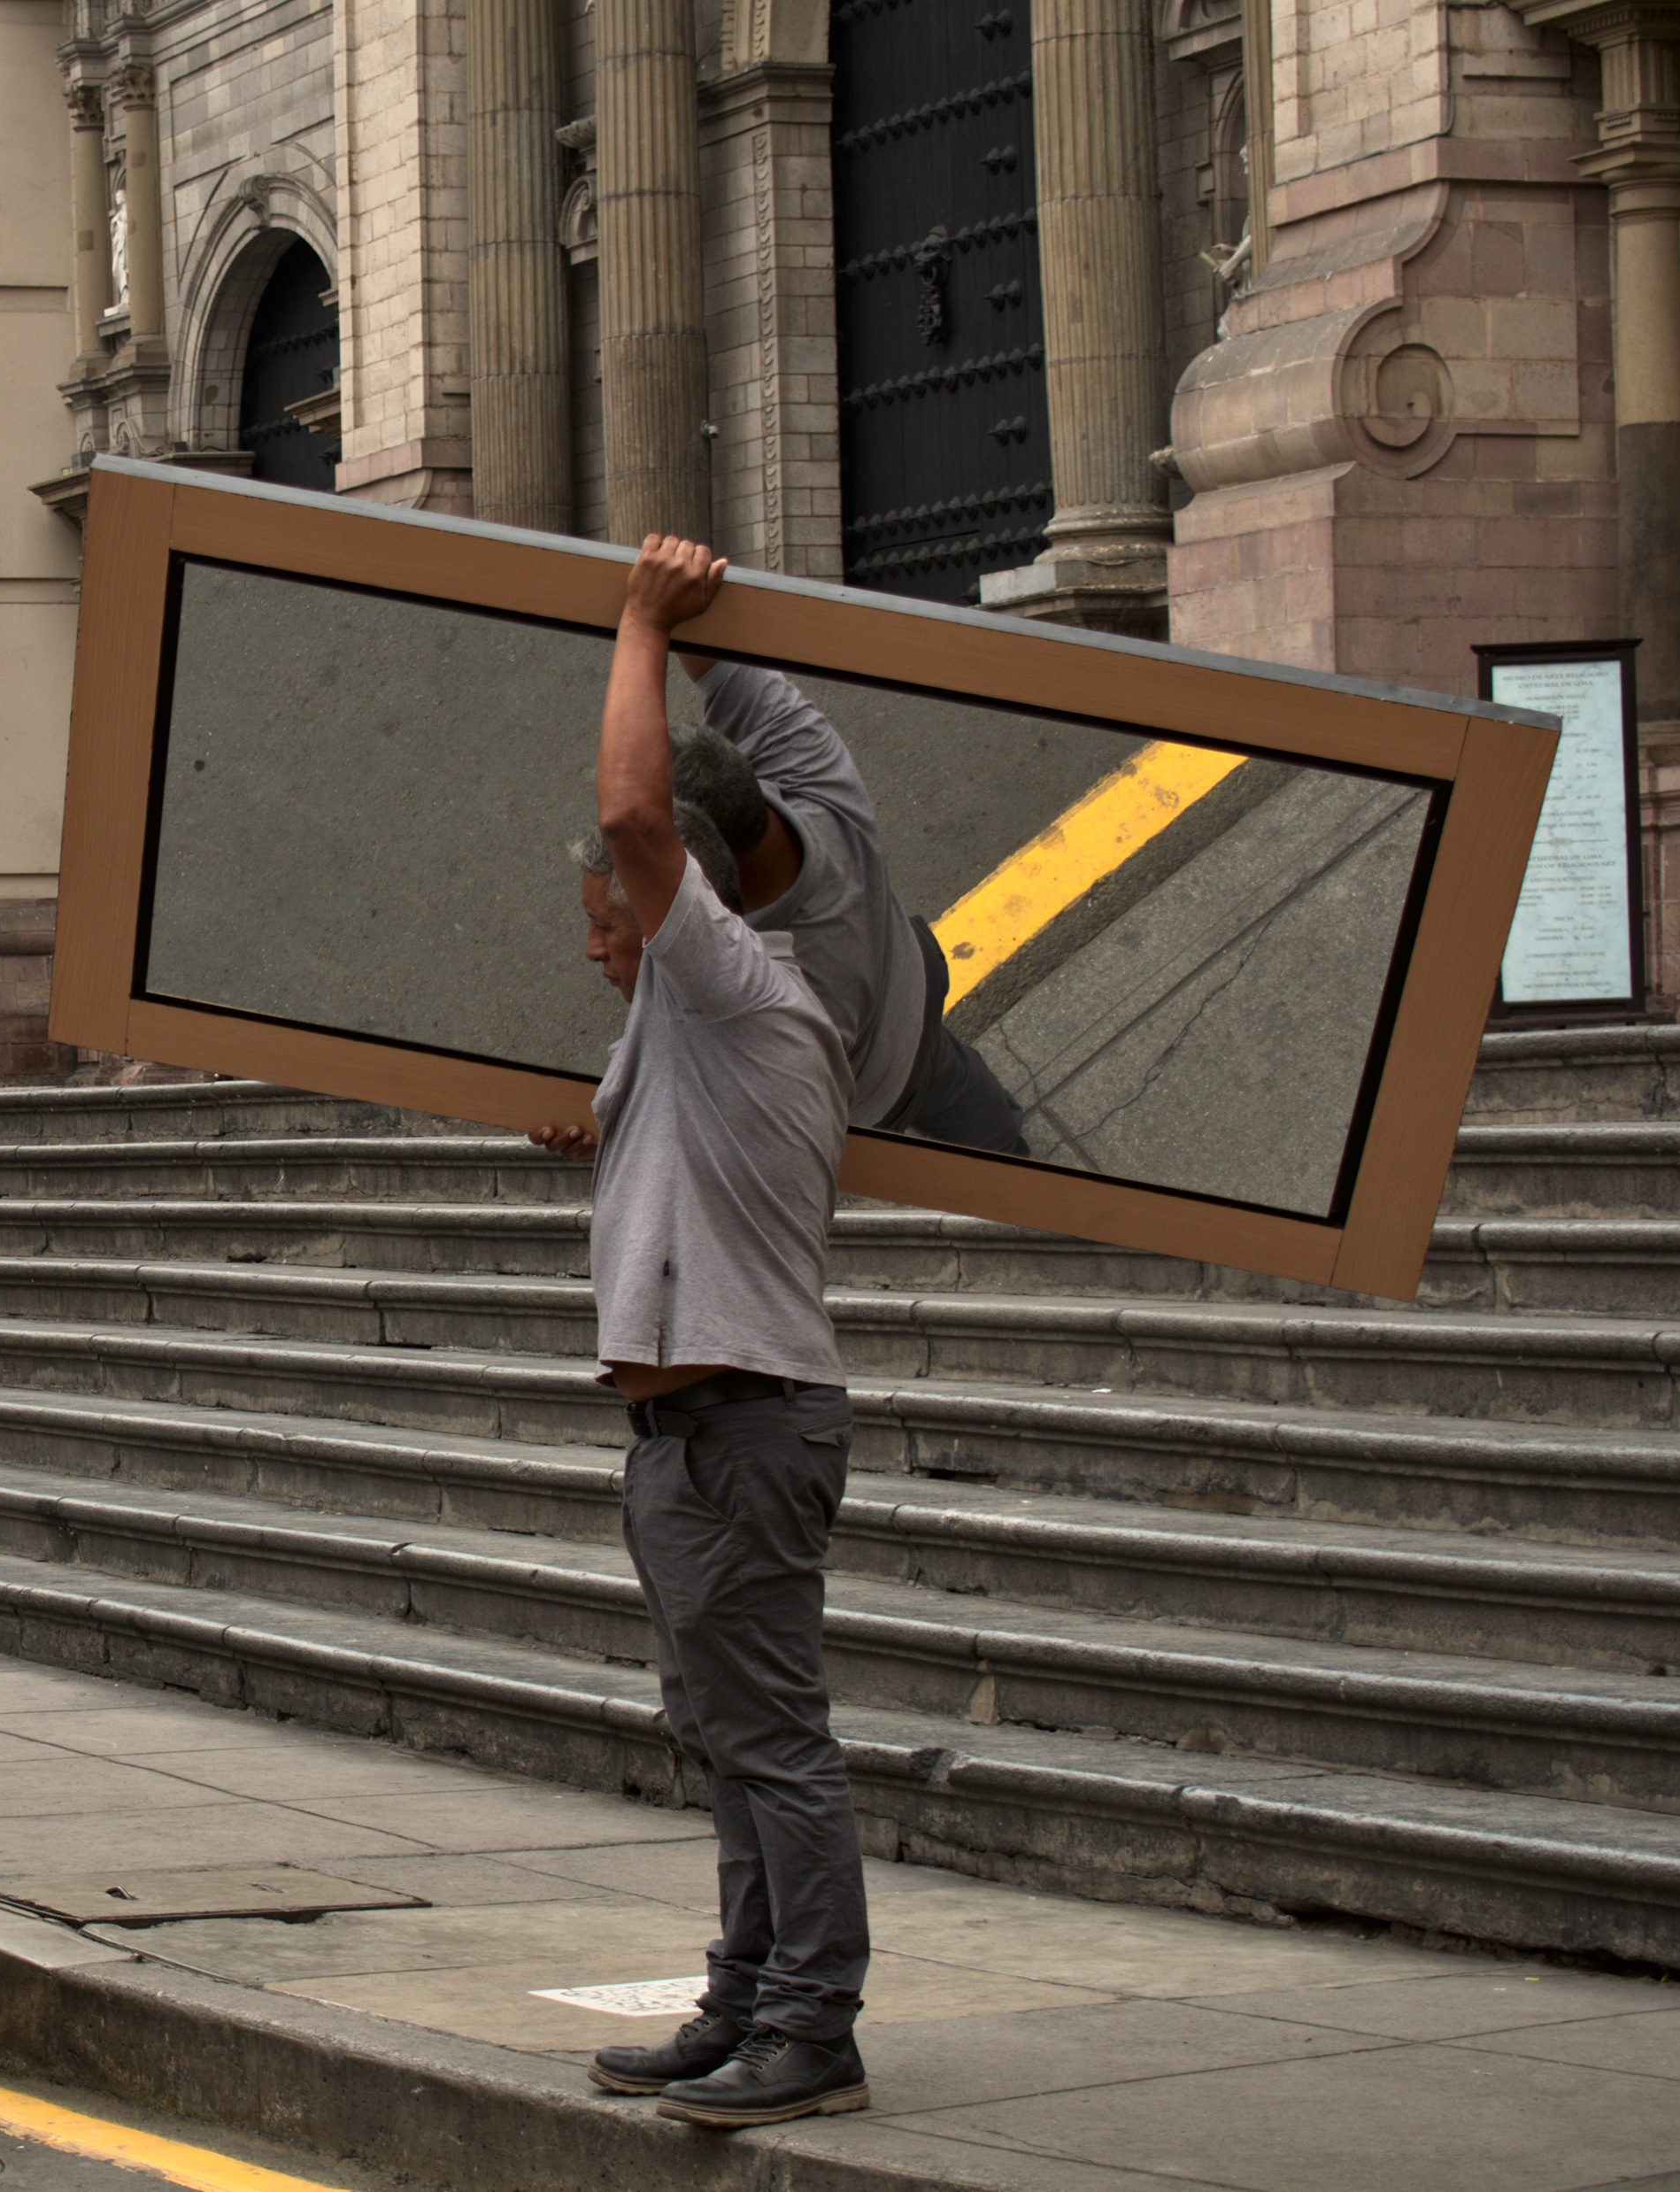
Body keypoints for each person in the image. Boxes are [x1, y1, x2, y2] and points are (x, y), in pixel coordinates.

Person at [551, 542, 873, 2129]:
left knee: (774, 1742)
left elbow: (635, 813)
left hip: (744, 1427)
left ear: (678, 891)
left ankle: (814, 2028)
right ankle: (746, 2000)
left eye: (607, 914)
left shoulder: (740, 985)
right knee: (731, 1737)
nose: (595, 937)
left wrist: (640, 620)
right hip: (692, 1438)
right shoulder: (687, 1019)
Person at [665, 657, 1029, 1154]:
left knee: (938, 1091)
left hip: (882, 1091)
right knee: (956, 1081)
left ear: (701, 857)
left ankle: (1005, 1165)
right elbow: (718, 660)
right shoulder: (804, 761)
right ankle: (1007, 1146)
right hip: (915, 981)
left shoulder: (759, 976)